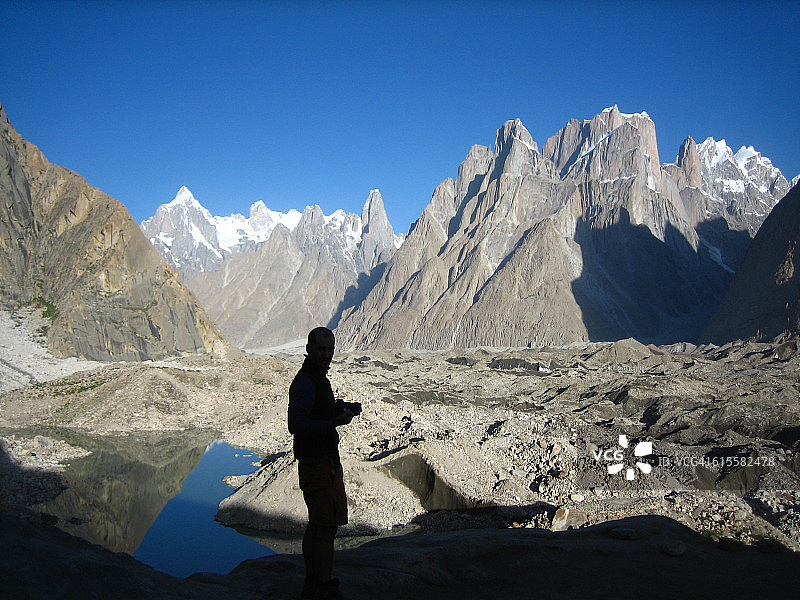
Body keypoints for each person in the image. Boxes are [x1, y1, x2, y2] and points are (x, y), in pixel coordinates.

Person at [288, 327, 361, 600]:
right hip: (318, 462)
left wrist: (341, 407)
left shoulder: (316, 379)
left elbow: (315, 410)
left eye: (330, 350)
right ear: (309, 349)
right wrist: (333, 422)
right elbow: (295, 424)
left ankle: (312, 579)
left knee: (317, 523)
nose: (326, 355)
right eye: (321, 349)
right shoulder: (306, 381)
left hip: (320, 461)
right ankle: (325, 583)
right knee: (326, 525)